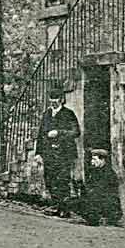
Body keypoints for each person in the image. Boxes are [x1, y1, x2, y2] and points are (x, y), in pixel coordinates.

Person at [35, 87, 81, 217]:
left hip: (64, 154)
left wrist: (59, 132)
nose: (53, 102)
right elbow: (40, 134)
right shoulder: (47, 114)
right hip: (49, 153)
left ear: (61, 100)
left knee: (62, 181)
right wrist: (38, 153)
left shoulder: (68, 114)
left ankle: (64, 209)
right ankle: (56, 205)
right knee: (49, 180)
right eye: (51, 99)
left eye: (55, 99)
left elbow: (76, 132)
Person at [79, 149, 122, 226]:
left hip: (107, 201)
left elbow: (107, 191)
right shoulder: (95, 171)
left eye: (95, 159)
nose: (92, 162)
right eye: (92, 159)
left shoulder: (109, 173)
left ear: (102, 160)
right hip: (98, 199)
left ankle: (104, 218)